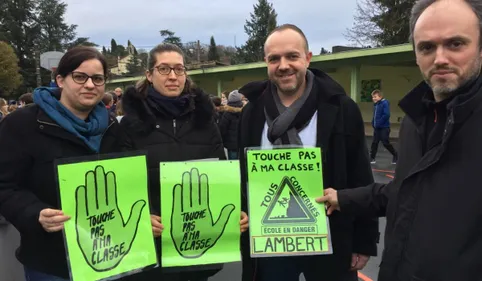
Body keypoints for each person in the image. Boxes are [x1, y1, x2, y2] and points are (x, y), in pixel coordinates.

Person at [318, 1, 482, 280]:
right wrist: (342, 197)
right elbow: (406, 192)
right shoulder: (415, 121)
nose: (440, 58)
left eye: (455, 44)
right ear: (416, 55)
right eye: (427, 47)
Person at [238, 24, 378, 281]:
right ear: (266, 63)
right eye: (274, 59)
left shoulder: (341, 108)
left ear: (308, 58)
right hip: (269, 240)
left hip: (331, 236)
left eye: (292, 56)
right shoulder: (252, 112)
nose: (283, 65)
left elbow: (361, 176)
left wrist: (364, 241)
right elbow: (242, 175)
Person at [120, 43, 249, 281]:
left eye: (179, 69)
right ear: (149, 75)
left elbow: (221, 172)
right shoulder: (130, 123)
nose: (173, 76)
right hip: (151, 245)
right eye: (164, 69)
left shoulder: (205, 119)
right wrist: (141, 217)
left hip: (197, 243)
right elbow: (120, 185)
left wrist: (237, 207)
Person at [0, 46, 129, 281]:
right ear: (60, 80)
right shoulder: (22, 124)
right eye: (80, 77)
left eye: (98, 79)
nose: (90, 85)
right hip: (52, 262)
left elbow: (125, 183)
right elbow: (4, 185)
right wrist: (34, 213)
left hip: (107, 254)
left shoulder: (111, 126)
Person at [370, 89, 398, 164]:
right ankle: (372, 158)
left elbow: (386, 115)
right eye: (373, 97)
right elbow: (375, 116)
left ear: (380, 96)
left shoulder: (384, 103)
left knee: (385, 143)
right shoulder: (376, 105)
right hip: (377, 128)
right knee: (374, 143)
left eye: (375, 97)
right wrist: (373, 123)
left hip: (384, 128)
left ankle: (395, 155)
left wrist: (378, 123)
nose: (373, 98)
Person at [219, 90, 244, 160]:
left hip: (231, 145)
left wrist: (224, 141)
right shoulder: (245, 111)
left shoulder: (227, 113)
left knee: (233, 164)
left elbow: (222, 129)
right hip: (243, 143)